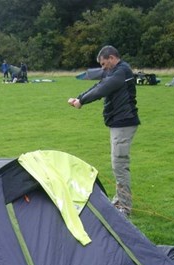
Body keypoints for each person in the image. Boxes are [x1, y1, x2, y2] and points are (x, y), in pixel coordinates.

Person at [67, 45, 140, 217]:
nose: (102, 67)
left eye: (103, 63)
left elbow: (103, 89)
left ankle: (124, 206)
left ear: (112, 58)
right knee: (117, 164)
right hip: (117, 123)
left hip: (124, 123)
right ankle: (119, 200)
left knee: (120, 165)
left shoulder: (122, 71)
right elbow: (99, 84)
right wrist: (80, 97)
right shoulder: (113, 72)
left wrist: (82, 101)